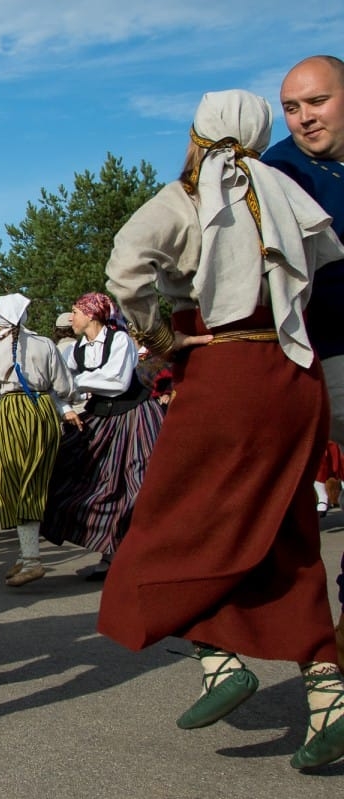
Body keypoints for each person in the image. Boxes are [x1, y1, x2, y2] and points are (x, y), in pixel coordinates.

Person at [97, 89, 344, 770]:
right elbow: (321, 262)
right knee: (286, 531)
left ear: (197, 134)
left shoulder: (186, 197)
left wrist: (158, 338)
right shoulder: (287, 191)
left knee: (168, 525)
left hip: (225, 373)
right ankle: (328, 693)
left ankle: (218, 660)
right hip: (296, 374)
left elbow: (125, 267)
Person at [262, 53, 344, 669]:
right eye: (292, 108)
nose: (304, 117)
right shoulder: (280, 174)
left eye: (317, 101)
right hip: (334, 349)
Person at [40, 292, 164, 581]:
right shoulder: (73, 351)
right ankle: (111, 554)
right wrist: (66, 404)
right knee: (87, 481)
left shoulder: (119, 340)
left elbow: (118, 383)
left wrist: (75, 382)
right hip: (100, 417)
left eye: (75, 312)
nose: (72, 318)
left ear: (92, 314)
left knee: (136, 482)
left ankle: (141, 555)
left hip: (135, 416)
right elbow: (56, 385)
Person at [0, 293, 76, 587]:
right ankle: (28, 556)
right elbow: (64, 385)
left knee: (14, 479)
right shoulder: (45, 345)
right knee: (32, 479)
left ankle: (31, 558)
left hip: (10, 412)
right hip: (39, 409)